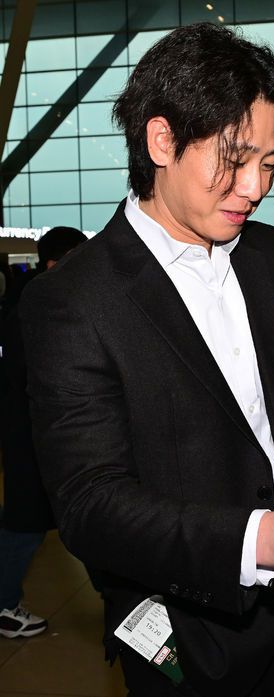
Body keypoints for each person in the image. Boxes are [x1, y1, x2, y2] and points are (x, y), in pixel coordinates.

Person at [20, 24, 274, 697]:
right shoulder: (74, 300)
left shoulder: (266, 258)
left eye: (269, 163)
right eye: (235, 160)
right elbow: (92, 504)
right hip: (189, 625)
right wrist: (265, 540)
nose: (255, 186)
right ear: (161, 141)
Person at [0, 226, 86, 639]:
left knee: (81, 517)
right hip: (34, 439)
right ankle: (3, 606)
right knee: (26, 524)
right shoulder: (35, 310)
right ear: (55, 263)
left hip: (40, 436)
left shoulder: (34, 302)